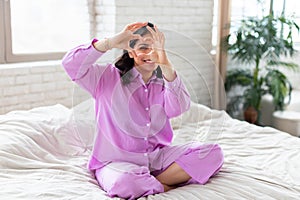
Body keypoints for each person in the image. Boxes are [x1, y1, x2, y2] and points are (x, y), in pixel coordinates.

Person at [62, 22, 223, 200]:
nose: (151, 53)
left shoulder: (164, 82)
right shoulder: (106, 77)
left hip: (157, 157)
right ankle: (159, 182)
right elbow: (70, 64)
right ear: (131, 52)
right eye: (144, 47)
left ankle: (152, 182)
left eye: (156, 48)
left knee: (212, 153)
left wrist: (165, 62)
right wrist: (110, 43)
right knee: (125, 183)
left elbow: (179, 107)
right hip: (116, 162)